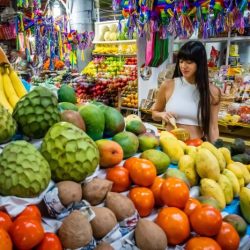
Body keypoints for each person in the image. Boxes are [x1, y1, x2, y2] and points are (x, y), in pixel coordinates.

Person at [152, 41, 221, 142]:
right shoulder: (168, 85)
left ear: (200, 63)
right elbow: (154, 114)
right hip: (169, 144)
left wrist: (217, 152)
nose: (184, 66)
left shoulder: (212, 92)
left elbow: (213, 127)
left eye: (189, 62)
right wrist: (162, 115)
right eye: (181, 61)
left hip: (196, 147)